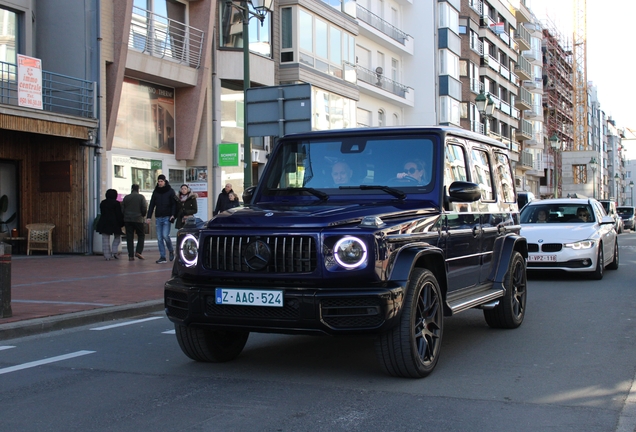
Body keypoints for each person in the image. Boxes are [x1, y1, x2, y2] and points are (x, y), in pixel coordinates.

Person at [146, 174, 177, 264]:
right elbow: (152, 205)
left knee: (165, 236)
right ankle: (162, 256)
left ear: (164, 181)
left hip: (167, 216)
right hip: (158, 217)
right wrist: (148, 217)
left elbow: (173, 204)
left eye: (161, 181)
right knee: (159, 238)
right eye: (158, 181)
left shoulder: (170, 191)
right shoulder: (156, 191)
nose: (160, 183)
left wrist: (173, 215)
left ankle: (171, 250)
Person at [95, 189, 124, 261]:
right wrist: (122, 223)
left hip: (104, 222)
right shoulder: (116, 203)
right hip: (115, 222)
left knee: (105, 239)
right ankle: (114, 251)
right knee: (117, 237)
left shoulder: (103, 203)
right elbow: (119, 214)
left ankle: (107, 255)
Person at [122, 184, 148, 261]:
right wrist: (143, 215)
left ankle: (130, 255)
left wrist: (125, 216)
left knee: (129, 237)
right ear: (138, 189)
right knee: (141, 235)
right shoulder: (141, 197)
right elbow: (144, 208)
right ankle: (138, 251)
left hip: (128, 220)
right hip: (138, 219)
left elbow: (122, 208)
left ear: (131, 189)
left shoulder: (126, 197)